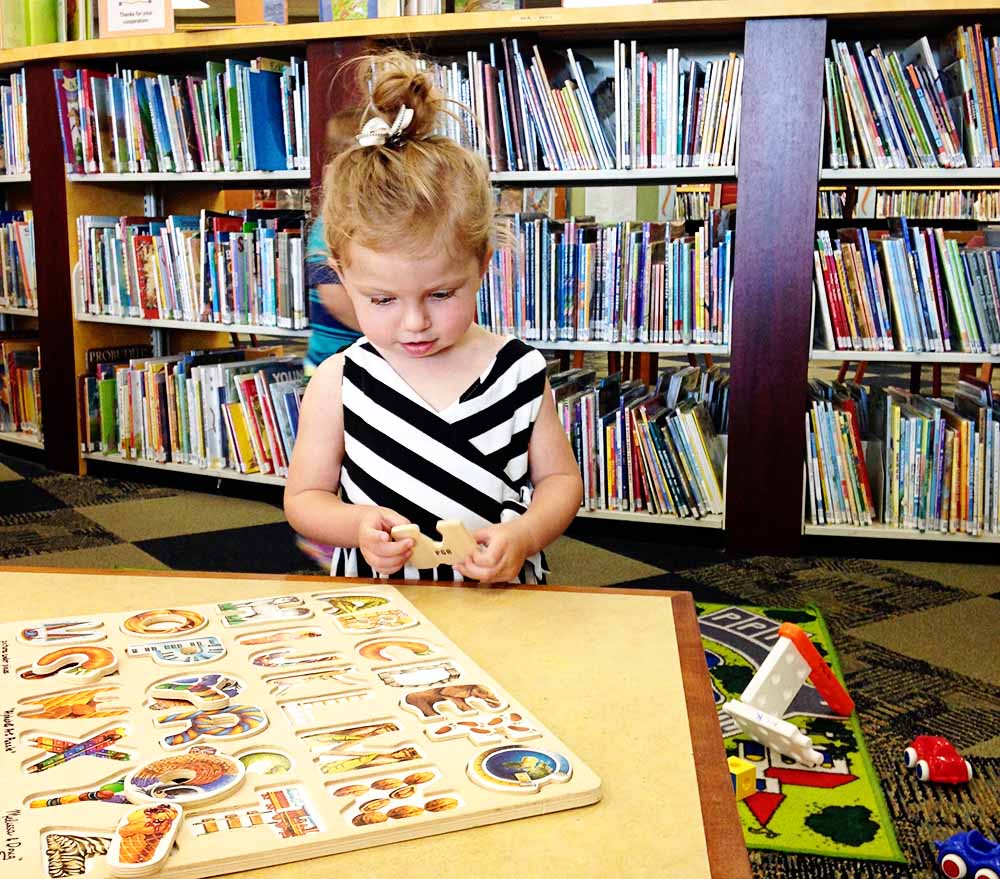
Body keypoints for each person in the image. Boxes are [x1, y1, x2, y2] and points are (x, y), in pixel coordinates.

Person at [284, 50, 582, 584]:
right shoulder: (340, 381)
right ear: (341, 276)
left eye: (442, 294)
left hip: (502, 600)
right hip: (382, 610)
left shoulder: (519, 371)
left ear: (482, 265)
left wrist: (525, 536)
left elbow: (560, 481)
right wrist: (355, 525)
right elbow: (304, 498)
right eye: (381, 300)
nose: (414, 323)